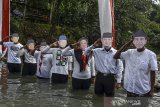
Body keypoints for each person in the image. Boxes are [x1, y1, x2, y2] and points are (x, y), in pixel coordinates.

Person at [114, 30, 158, 98]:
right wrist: (126, 45)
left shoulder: (151, 55)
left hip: (143, 92)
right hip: (130, 91)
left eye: (141, 39)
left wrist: (152, 90)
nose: (139, 42)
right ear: (133, 41)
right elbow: (115, 56)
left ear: (146, 41)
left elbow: (153, 73)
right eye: (136, 39)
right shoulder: (129, 53)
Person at [85, 32, 123, 97]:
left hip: (110, 78)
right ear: (102, 40)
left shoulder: (116, 52)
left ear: (112, 40)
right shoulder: (97, 51)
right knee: (97, 97)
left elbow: (120, 67)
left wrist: (119, 81)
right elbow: (86, 52)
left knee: (109, 99)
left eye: (109, 39)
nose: (106, 41)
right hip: (99, 77)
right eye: (104, 39)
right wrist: (93, 45)